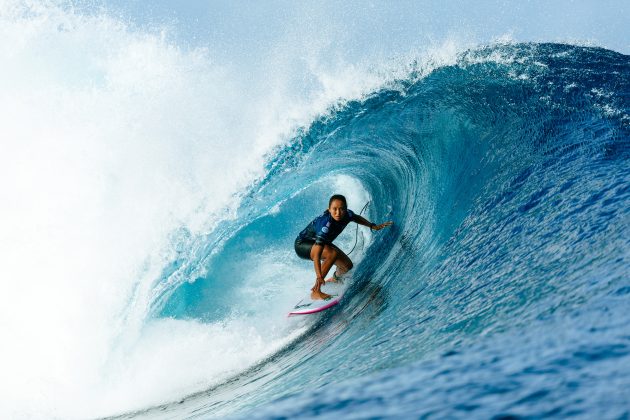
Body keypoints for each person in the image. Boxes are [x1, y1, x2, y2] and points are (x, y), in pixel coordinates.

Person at [294, 194, 393, 300]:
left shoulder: (347, 214)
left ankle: (336, 278)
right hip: (303, 245)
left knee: (347, 266)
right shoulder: (325, 225)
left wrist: (373, 226)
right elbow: (317, 255)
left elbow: (356, 217)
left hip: (322, 243)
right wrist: (319, 276)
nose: (338, 213)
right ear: (329, 209)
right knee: (332, 254)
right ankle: (316, 291)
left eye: (341, 209)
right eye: (334, 209)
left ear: (346, 209)